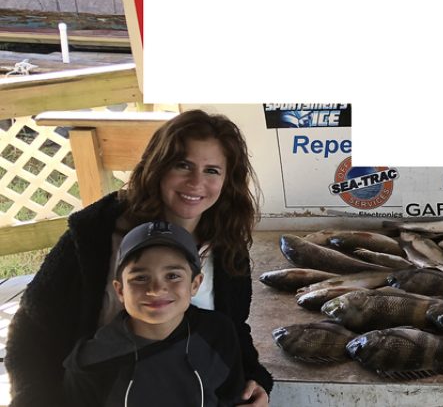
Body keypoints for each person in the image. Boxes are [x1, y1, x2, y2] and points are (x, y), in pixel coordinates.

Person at [7, 109, 272, 406]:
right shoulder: (94, 235)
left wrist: (254, 379)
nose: (196, 182)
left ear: (227, 180)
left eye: (212, 170)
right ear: (158, 168)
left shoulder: (226, 242)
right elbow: (33, 325)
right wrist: (32, 397)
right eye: (183, 165)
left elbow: (233, 327)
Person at [63, 221, 246, 406]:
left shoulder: (218, 334)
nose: (156, 290)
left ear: (195, 284)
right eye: (140, 278)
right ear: (120, 291)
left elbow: (231, 397)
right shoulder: (91, 362)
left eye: (173, 276)